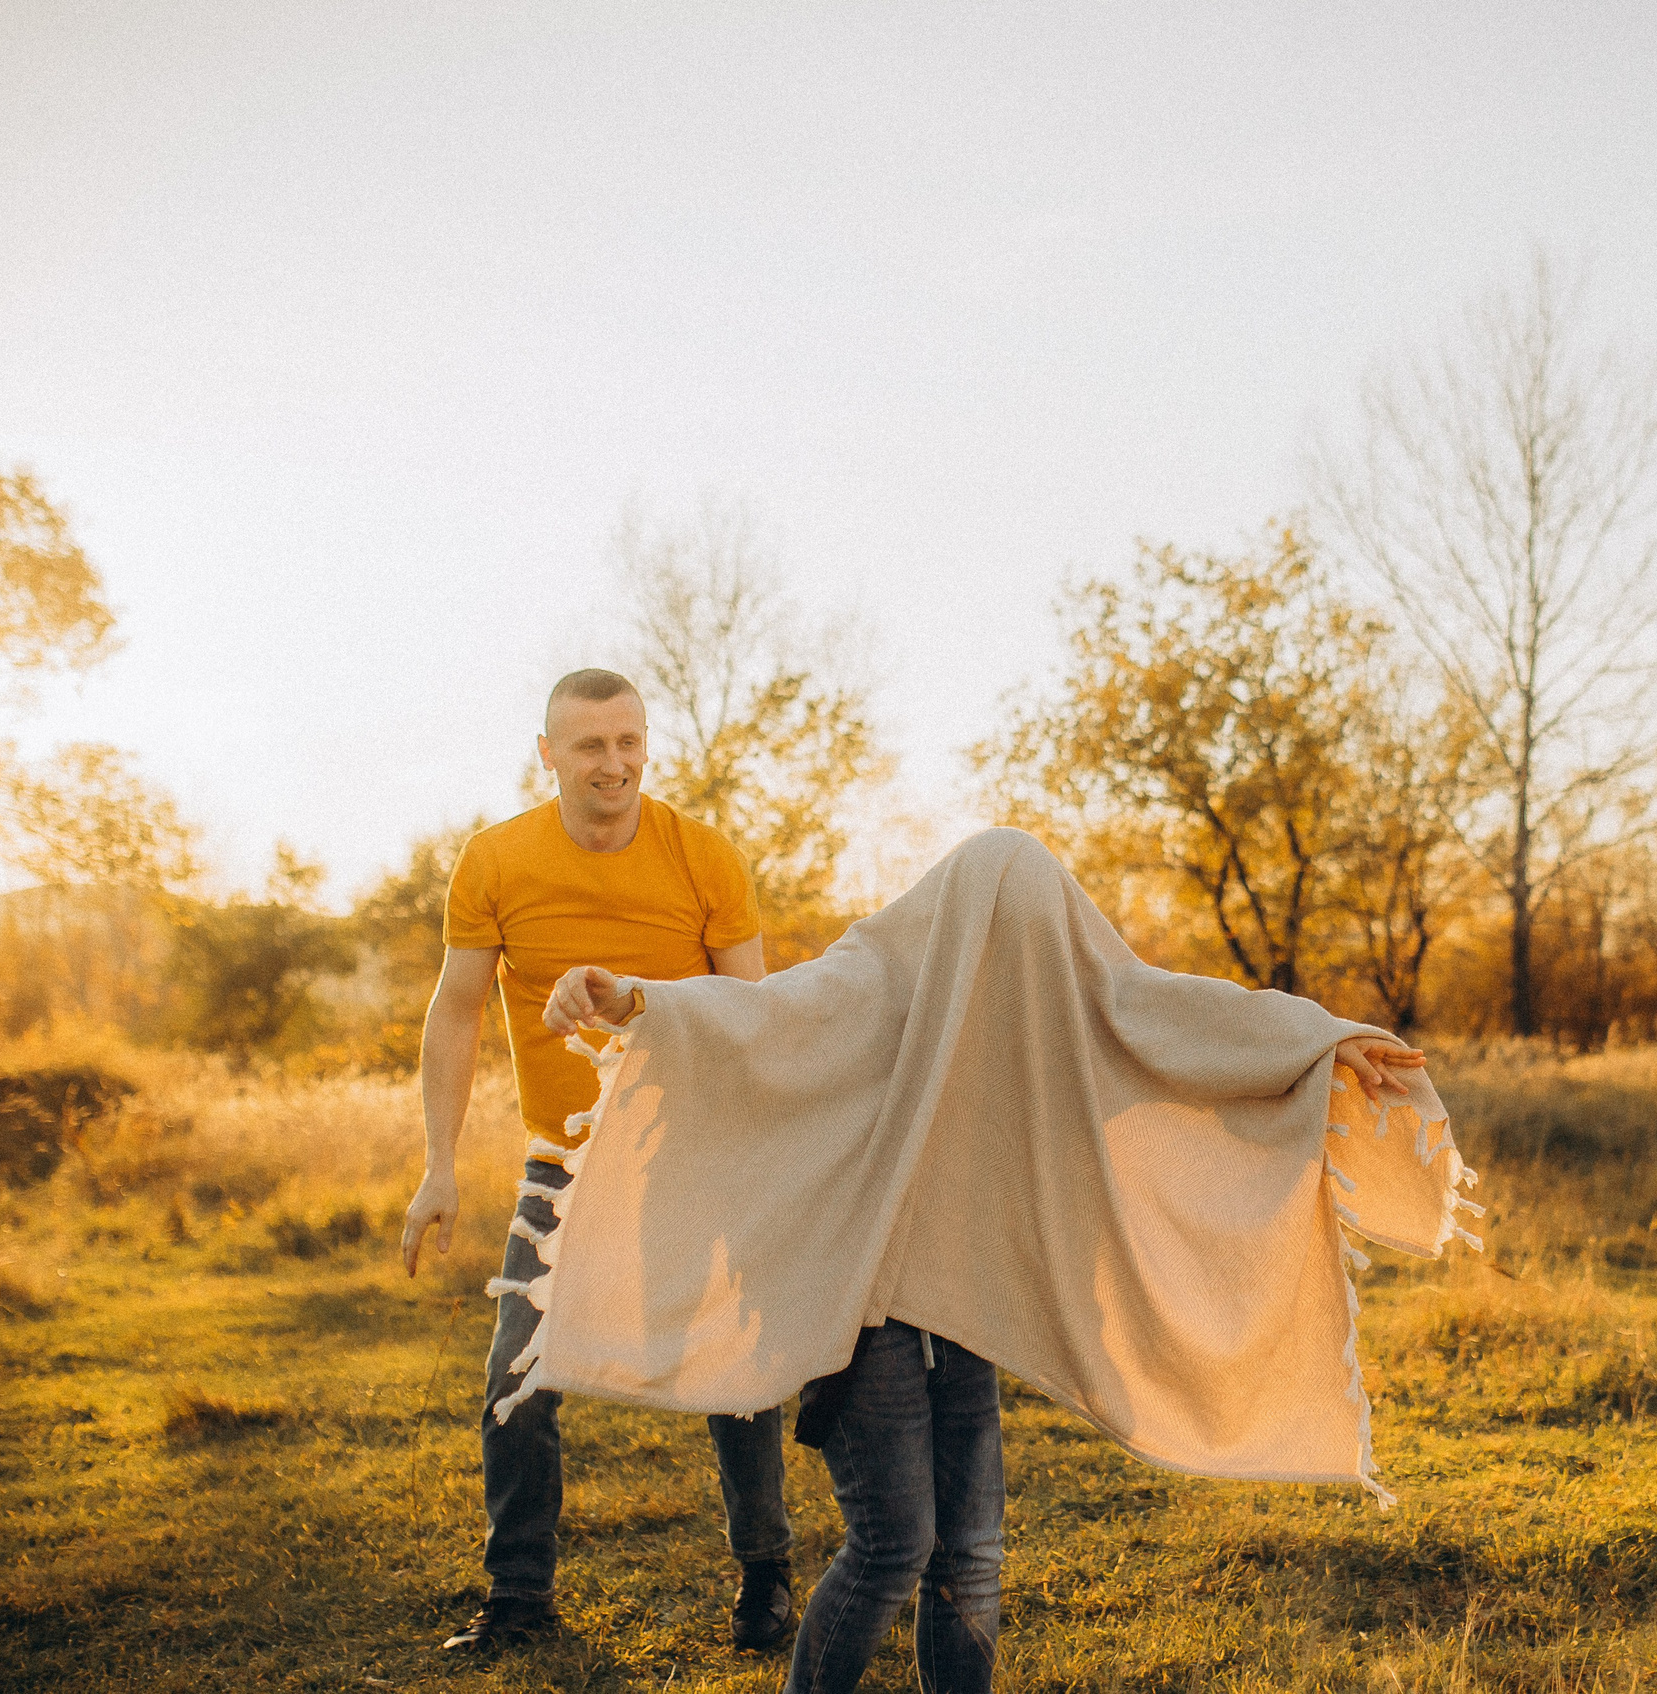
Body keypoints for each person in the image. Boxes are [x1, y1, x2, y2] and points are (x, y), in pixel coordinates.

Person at [538, 957, 1426, 1694]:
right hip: (865, 1311)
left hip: (962, 1302)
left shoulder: (1041, 1002)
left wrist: (1322, 1040)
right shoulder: (885, 977)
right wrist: (635, 998)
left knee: (972, 1554)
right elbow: (764, 1015)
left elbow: (1172, 1014)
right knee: (893, 1547)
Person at [397, 668, 799, 1655]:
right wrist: (439, 1163)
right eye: (589, 745)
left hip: (690, 1152)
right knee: (516, 1372)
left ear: (645, 744)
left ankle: (766, 1579)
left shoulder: (703, 857)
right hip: (564, 1160)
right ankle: (518, 1599)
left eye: (628, 741)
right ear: (548, 754)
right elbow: (455, 1010)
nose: (613, 763)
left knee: (733, 1366)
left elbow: (754, 1018)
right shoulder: (496, 860)